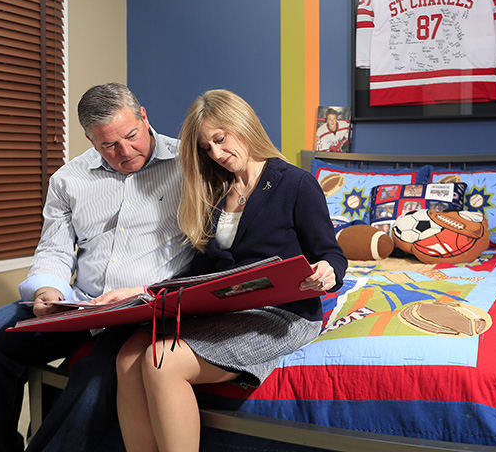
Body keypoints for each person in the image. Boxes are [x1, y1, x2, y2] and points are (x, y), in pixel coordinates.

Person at [0, 83, 192, 452]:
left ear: (144, 117)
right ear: (89, 138)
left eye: (131, 136)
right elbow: (54, 249)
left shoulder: (190, 165)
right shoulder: (69, 179)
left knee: (95, 376)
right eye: (108, 145)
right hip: (81, 304)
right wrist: (48, 290)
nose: (124, 151)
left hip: (143, 310)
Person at [115, 89, 347, 452]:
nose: (217, 155)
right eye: (207, 148)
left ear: (242, 123)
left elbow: (331, 254)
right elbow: (200, 270)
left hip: (281, 313)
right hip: (226, 307)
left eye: (220, 140)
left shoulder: (296, 183)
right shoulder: (215, 192)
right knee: (128, 356)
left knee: (161, 362)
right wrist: (140, 295)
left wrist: (328, 272)